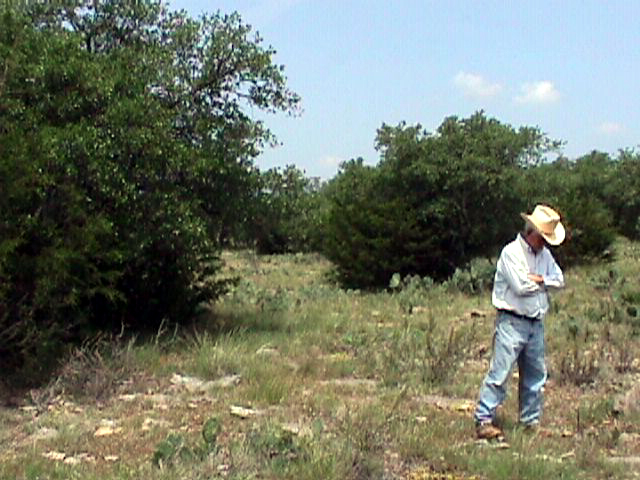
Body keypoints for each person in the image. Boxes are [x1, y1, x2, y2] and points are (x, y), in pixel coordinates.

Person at [473, 204, 565, 440]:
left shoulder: (545, 255)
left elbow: (559, 280)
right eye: (543, 238)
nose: (545, 244)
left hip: (535, 323)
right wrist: (544, 283)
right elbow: (521, 287)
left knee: (535, 374)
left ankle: (530, 422)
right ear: (532, 233)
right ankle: (484, 418)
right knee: (500, 372)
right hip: (512, 322)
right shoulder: (511, 253)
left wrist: (540, 279)